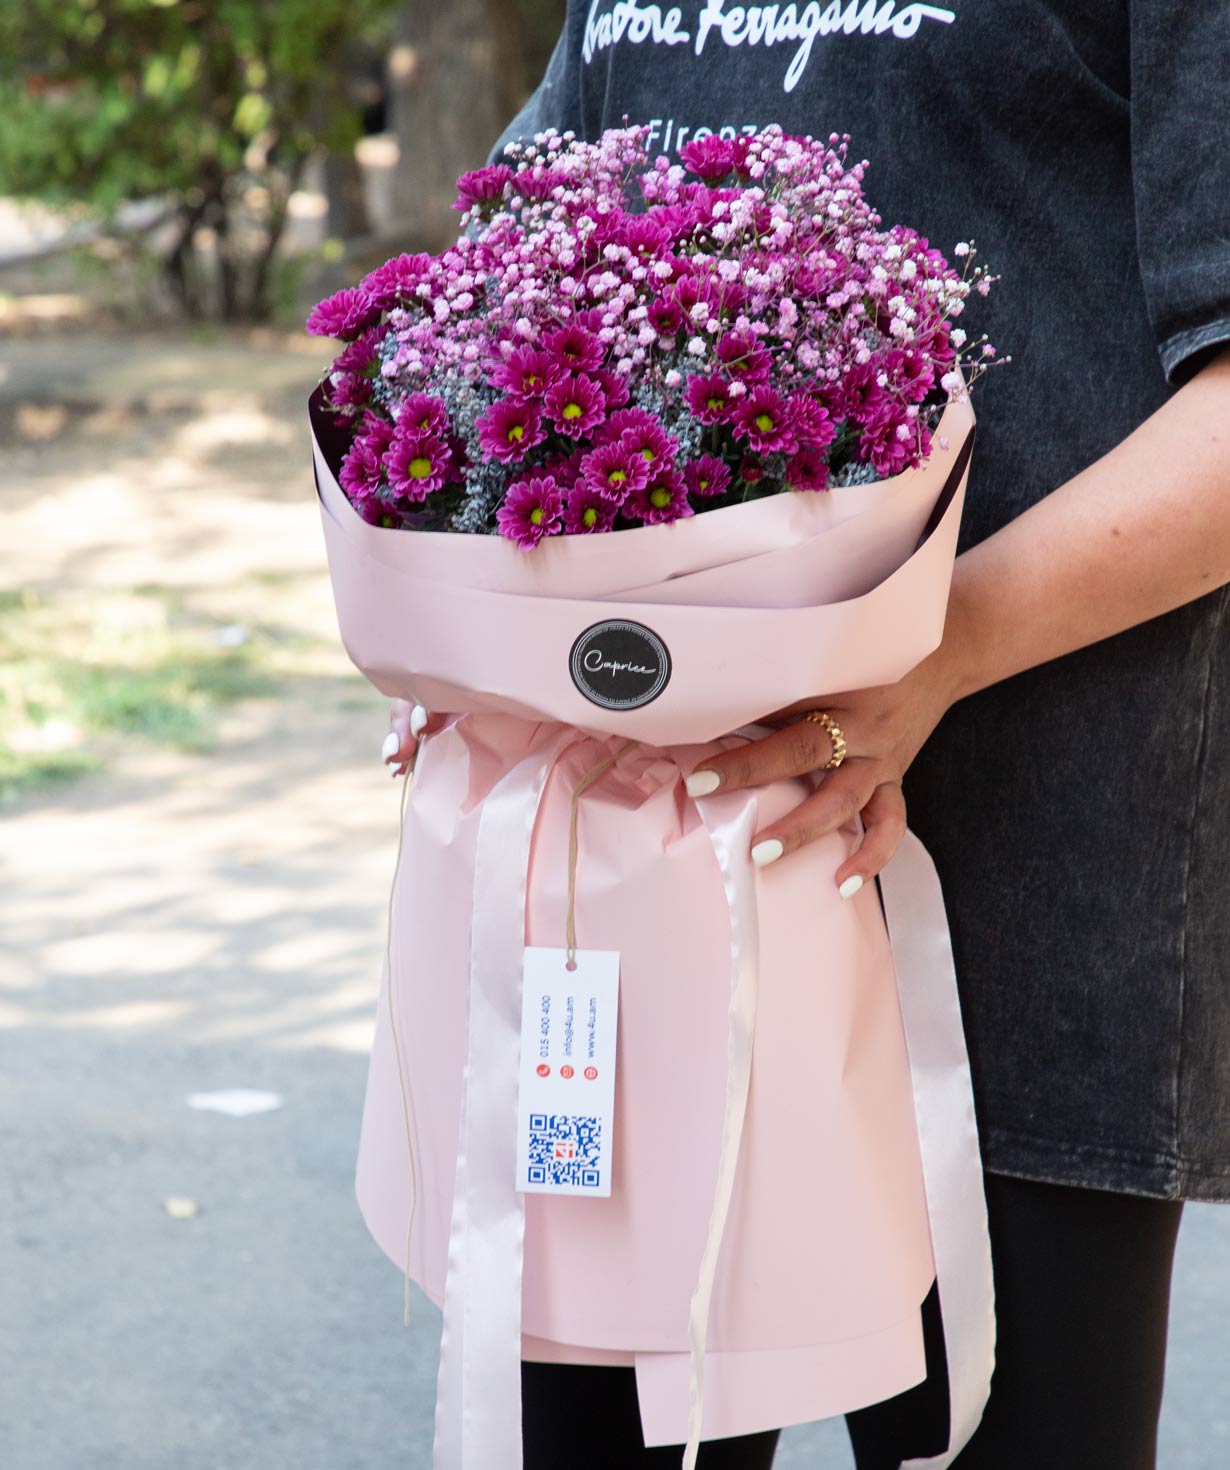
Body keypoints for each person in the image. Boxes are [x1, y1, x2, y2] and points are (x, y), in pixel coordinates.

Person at [382, 4, 1230, 1465]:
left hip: (1028, 897)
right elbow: (503, 257)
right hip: (631, 886)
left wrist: (926, 649)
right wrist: (452, 595)